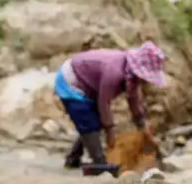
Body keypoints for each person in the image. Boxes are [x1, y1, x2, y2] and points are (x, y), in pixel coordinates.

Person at [54, 41, 165, 169]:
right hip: (71, 81)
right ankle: (99, 162)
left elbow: (133, 99)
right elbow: (103, 102)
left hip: (89, 85)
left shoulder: (130, 75)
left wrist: (143, 126)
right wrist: (110, 131)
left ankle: (73, 158)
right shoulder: (115, 72)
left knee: (93, 121)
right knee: (87, 121)